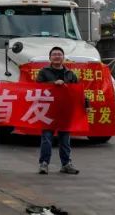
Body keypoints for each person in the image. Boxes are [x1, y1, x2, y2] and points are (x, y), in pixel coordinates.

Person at [36, 46, 80, 175]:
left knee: (65, 139)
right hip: (48, 110)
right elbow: (37, 88)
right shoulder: (43, 72)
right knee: (47, 138)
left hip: (65, 111)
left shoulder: (70, 74)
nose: (57, 56)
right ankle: (44, 164)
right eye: (54, 54)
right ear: (50, 58)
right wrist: (53, 84)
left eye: (59, 54)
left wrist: (86, 105)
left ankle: (66, 164)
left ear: (63, 57)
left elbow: (78, 91)